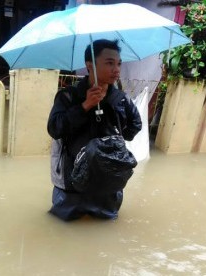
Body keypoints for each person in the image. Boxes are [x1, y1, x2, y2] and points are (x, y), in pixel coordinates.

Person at [47, 39, 142, 221]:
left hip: (109, 180)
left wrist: (117, 139)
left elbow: (135, 125)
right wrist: (84, 106)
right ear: (89, 65)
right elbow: (54, 128)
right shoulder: (68, 96)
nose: (116, 69)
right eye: (109, 63)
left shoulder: (121, 99)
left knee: (105, 225)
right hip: (72, 181)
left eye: (119, 64)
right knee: (64, 225)